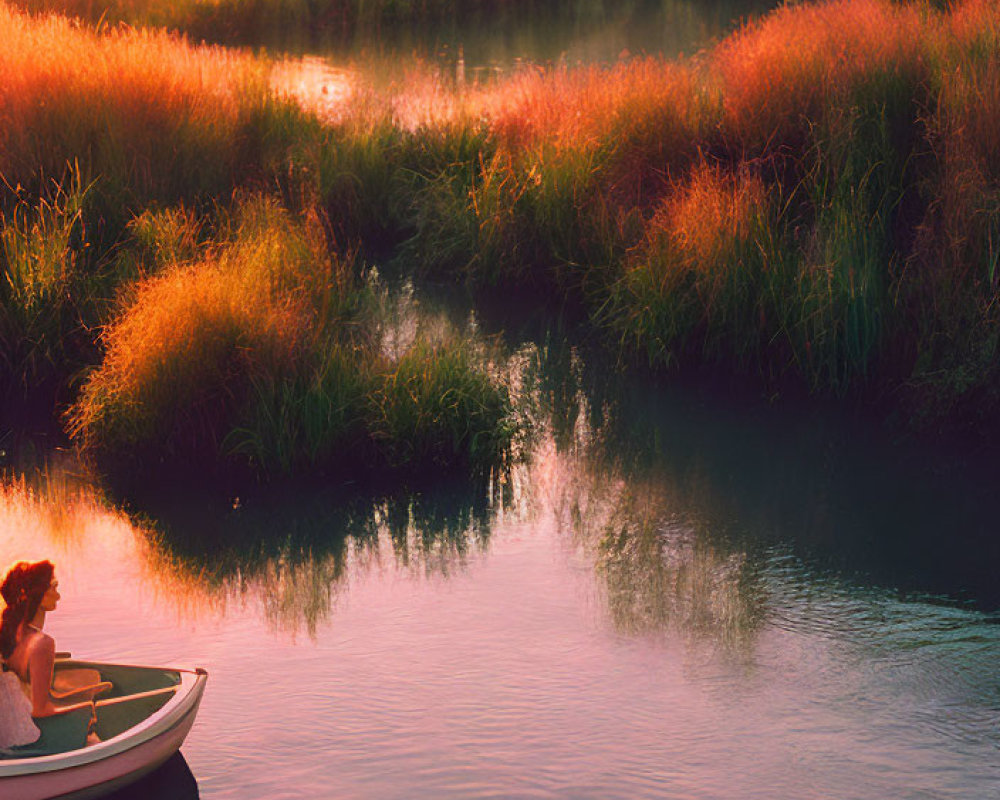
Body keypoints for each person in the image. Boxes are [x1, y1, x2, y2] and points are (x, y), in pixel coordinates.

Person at [0, 560, 111, 751]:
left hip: (8, 731)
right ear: (38, 594)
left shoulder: (7, 632)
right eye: (54, 587)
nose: (58, 595)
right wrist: (85, 707)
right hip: (36, 737)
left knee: (94, 680)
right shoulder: (42, 644)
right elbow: (40, 709)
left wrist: (84, 695)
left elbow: (26, 695)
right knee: (92, 721)